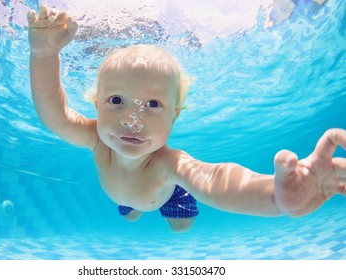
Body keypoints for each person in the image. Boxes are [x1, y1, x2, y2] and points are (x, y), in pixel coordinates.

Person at [27, 5, 346, 232]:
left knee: (180, 227)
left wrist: (274, 198)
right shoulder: (97, 137)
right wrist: (44, 54)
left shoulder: (169, 164)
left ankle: (160, 209)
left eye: (152, 103)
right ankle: (137, 205)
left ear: (174, 118)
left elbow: (217, 179)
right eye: (116, 101)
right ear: (96, 106)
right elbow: (55, 116)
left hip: (171, 193)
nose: (132, 120)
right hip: (128, 196)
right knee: (130, 212)